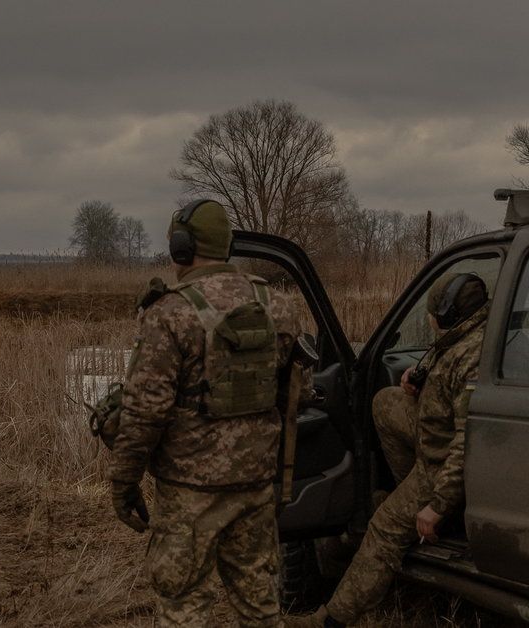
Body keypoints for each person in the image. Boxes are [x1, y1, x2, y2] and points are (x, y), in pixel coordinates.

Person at [109, 199, 305, 627]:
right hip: (255, 484)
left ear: (181, 247)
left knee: (184, 607)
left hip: (189, 493)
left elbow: (145, 412)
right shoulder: (280, 307)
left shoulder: (171, 313)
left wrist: (123, 481)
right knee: (260, 609)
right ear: (227, 244)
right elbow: (288, 394)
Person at [290, 273, 489, 627]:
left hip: (443, 463)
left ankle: (330, 619)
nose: (429, 319)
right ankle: (408, 493)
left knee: (383, 526)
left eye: (432, 312)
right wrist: (419, 379)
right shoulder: (471, 334)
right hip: (434, 434)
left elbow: (466, 441)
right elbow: (447, 388)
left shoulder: (469, 356)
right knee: (385, 402)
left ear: (446, 313)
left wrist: (436, 505)